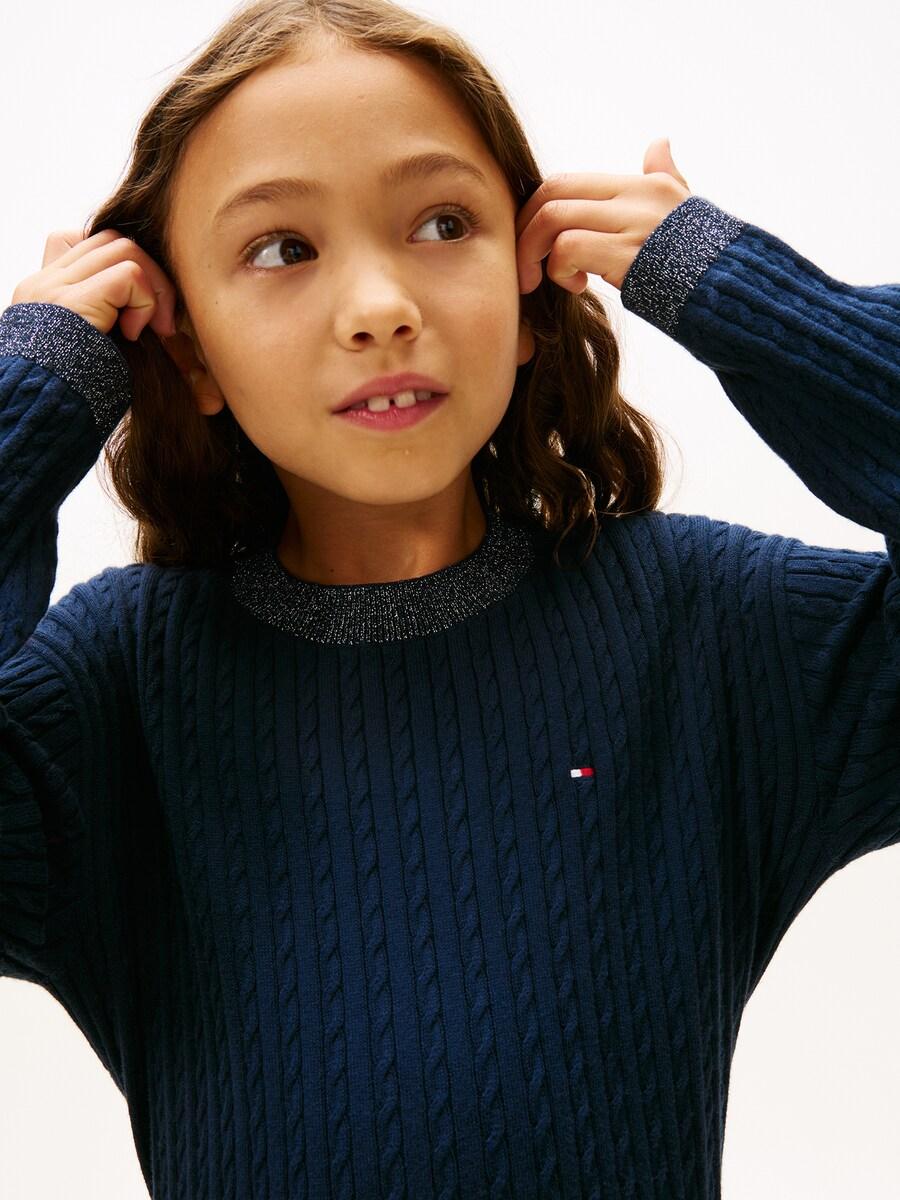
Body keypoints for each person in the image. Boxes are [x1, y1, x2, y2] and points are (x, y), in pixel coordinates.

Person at [1, 2, 897, 1198]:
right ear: (192, 351)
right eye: (282, 247)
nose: (380, 305)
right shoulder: (111, 700)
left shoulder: (711, 635)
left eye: (441, 223)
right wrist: (36, 385)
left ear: (529, 291)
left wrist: (743, 291)